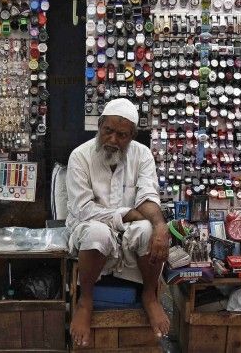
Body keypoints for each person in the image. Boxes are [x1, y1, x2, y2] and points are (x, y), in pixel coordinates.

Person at [66, 98, 170, 347]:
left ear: (132, 136)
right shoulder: (80, 156)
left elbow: (147, 196)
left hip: (129, 227)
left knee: (148, 229)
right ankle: (86, 299)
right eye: (108, 131)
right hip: (88, 223)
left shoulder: (142, 155)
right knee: (98, 234)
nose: (113, 139)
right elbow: (83, 209)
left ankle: (149, 295)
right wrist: (126, 214)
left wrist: (160, 226)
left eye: (122, 135)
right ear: (99, 126)